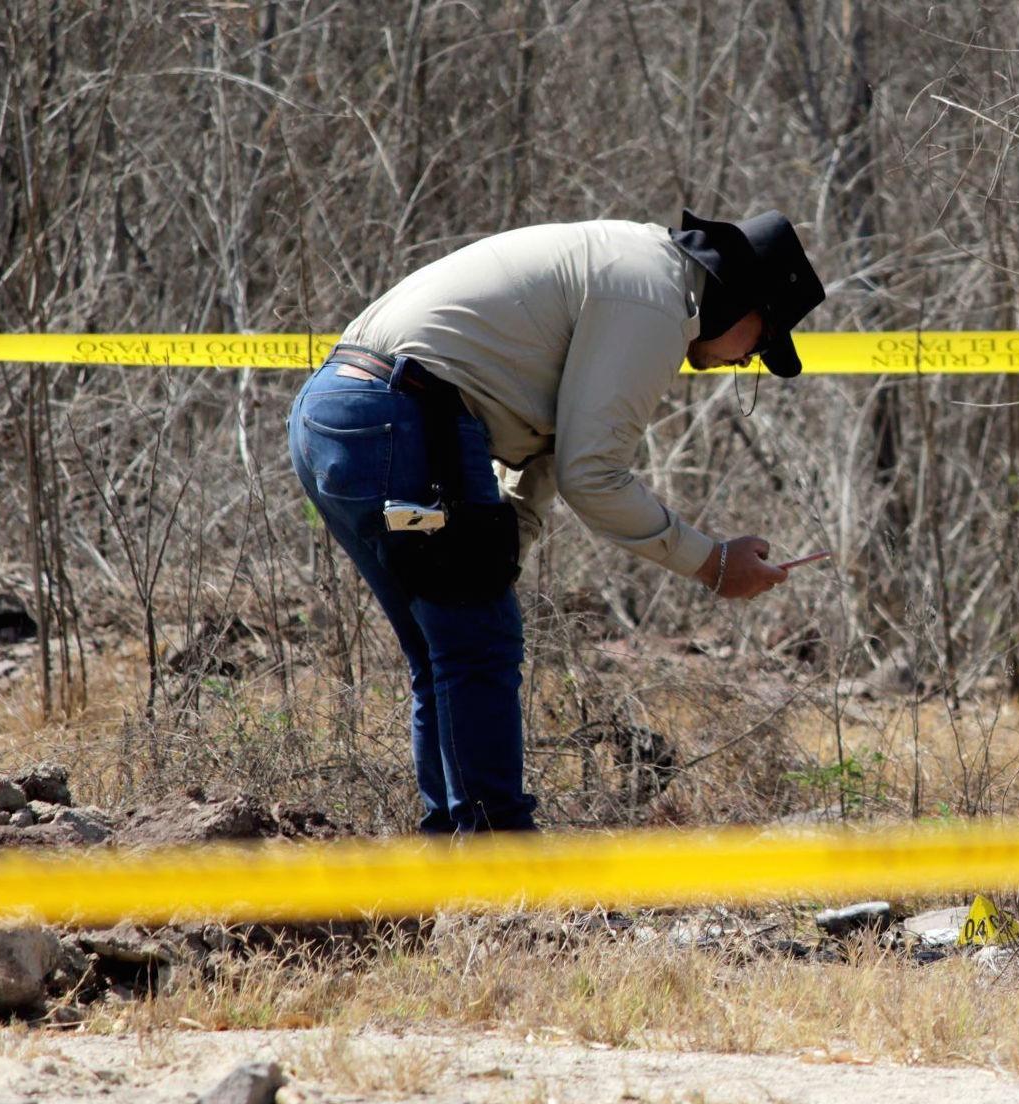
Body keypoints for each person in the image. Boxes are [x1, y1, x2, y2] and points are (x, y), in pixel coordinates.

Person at [286, 210, 826, 833]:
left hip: (334, 415)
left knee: (450, 650)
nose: (748, 359)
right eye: (761, 342)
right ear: (744, 304)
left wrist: (500, 552)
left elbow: (540, 449)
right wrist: (714, 563)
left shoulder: (634, 266)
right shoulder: (654, 296)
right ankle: (500, 856)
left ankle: (455, 860)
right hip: (404, 415)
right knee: (474, 647)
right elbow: (592, 474)